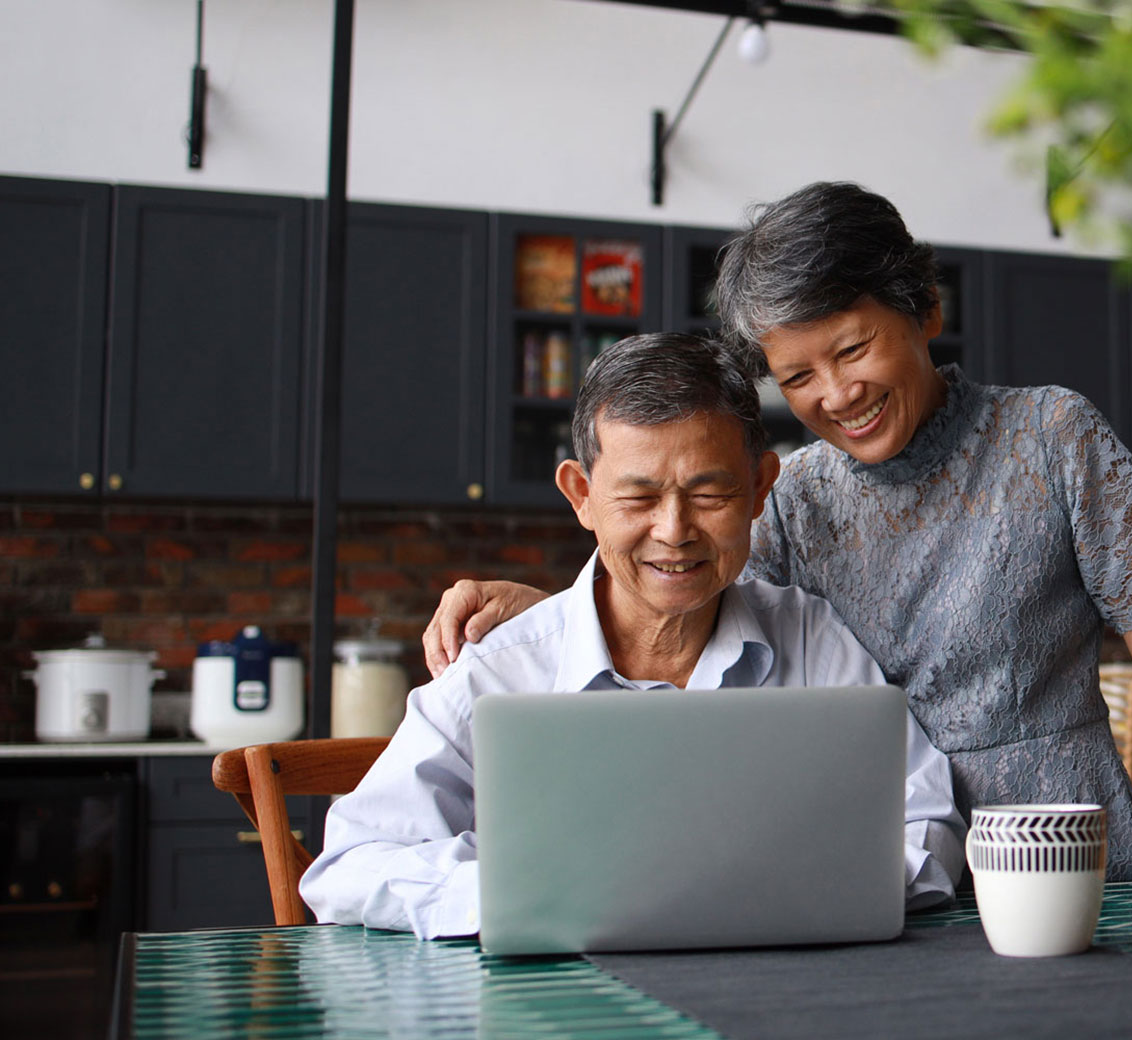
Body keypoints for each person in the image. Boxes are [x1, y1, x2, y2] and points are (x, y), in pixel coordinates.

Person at [425, 183, 1132, 902]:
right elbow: (691, 608)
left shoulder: (1051, 436)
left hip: (1058, 845)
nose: (835, 395)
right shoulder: (793, 493)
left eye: (854, 349)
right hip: (870, 864)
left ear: (925, 312)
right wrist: (547, 611)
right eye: (798, 376)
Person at [301, 332, 964, 939]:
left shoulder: (810, 637)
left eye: (709, 496)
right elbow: (351, 865)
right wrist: (514, 893)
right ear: (581, 493)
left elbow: (926, 819)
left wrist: (800, 892)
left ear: (761, 487)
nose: (674, 531)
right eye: (639, 499)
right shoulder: (501, 671)